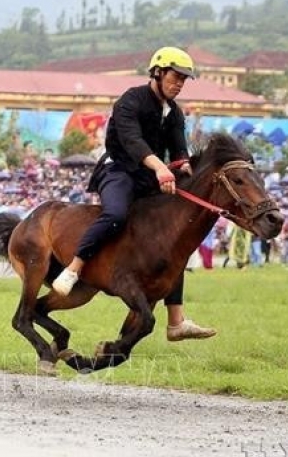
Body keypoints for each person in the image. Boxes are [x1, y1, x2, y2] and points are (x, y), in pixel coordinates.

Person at [50, 46, 216, 342]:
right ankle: (74, 268)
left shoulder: (175, 112)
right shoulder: (131, 100)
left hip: (150, 176)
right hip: (119, 171)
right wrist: (160, 168)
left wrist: (186, 169)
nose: (179, 84)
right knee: (115, 214)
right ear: (158, 72)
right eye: (176, 77)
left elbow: (179, 151)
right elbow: (132, 141)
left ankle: (176, 321)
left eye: (183, 80)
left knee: (173, 240)